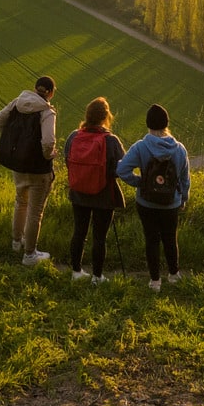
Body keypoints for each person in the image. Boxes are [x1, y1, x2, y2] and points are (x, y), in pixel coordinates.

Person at [117, 103, 190, 292]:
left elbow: (122, 170)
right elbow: (184, 178)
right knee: (170, 238)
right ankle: (174, 275)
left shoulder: (141, 147)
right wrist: (182, 198)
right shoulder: (180, 149)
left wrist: (140, 183)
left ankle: (155, 281)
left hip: (146, 202)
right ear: (167, 123)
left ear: (148, 123)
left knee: (151, 240)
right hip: (170, 203)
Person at [0, 75, 58, 266]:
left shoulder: (17, 103)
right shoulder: (46, 112)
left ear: (35, 88)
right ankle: (30, 254)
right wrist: (49, 155)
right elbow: (48, 142)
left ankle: (16, 242)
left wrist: (15, 142)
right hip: (38, 168)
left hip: (18, 164)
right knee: (35, 212)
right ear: (51, 93)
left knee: (20, 201)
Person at [63, 97, 125, 283]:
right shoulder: (111, 140)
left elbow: (68, 160)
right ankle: (97, 277)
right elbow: (121, 168)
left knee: (79, 232)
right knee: (99, 237)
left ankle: (76, 272)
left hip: (79, 192)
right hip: (104, 195)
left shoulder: (74, 137)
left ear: (87, 115)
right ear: (106, 117)